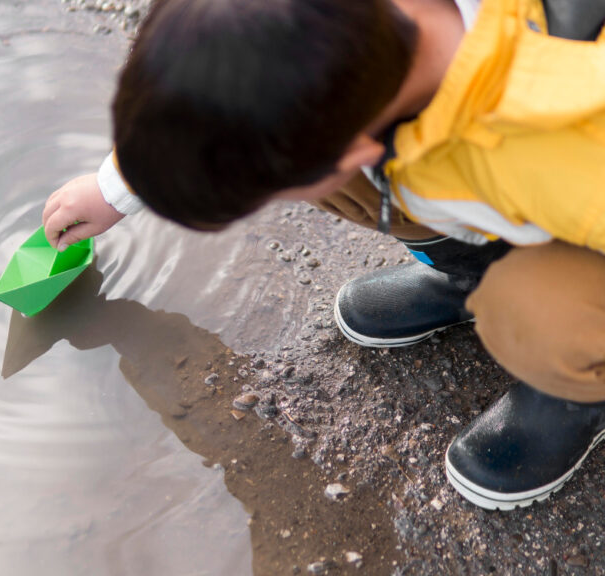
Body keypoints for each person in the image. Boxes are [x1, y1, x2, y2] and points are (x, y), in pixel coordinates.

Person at [42, 0, 605, 510]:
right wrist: (120, 185)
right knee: (325, 173)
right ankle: (472, 272)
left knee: (535, 309)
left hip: (576, 198)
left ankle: (575, 384)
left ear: (361, 147)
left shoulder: (564, 142)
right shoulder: (349, 39)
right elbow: (235, 63)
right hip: (482, 163)